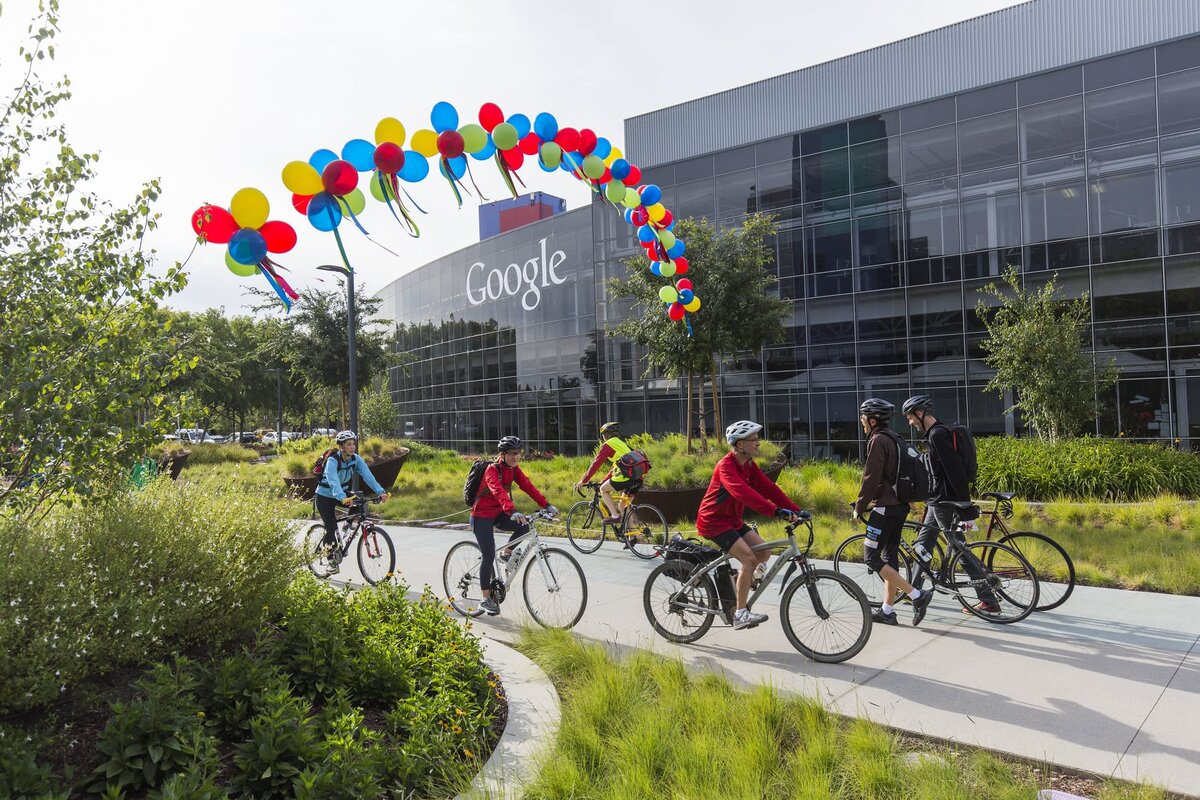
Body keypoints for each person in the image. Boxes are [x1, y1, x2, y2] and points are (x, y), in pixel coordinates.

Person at [696, 420, 804, 630]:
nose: (758, 443)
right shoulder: (726, 466)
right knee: (748, 559)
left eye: (757, 439)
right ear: (740, 444)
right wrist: (774, 511)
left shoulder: (748, 465)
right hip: (713, 521)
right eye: (753, 440)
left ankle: (737, 582)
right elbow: (742, 493)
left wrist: (795, 509)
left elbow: (769, 489)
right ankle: (740, 614)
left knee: (764, 553)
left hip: (732, 520)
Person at [902, 395, 999, 613]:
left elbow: (953, 470)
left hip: (944, 502)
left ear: (920, 413)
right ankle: (914, 592)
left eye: (910, 417)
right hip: (937, 500)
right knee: (923, 545)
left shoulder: (937, 435)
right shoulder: (937, 433)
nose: (910, 423)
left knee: (958, 549)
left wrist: (962, 502)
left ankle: (988, 599)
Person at [853, 399, 932, 627]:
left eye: (863, 417)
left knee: (871, 557)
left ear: (872, 420)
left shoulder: (878, 440)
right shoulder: (895, 438)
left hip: (885, 508)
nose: (861, 421)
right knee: (889, 557)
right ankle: (887, 610)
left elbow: (871, 477)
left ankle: (917, 595)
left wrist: (859, 507)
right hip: (899, 506)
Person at [471, 435, 558, 616]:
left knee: (524, 525)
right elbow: (497, 491)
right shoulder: (491, 470)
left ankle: (507, 553)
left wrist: (546, 505)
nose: (515, 457)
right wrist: (511, 510)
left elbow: (528, 486)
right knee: (488, 555)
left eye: (518, 453)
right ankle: (485, 599)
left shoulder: (514, 469)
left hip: (499, 513)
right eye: (511, 454)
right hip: (482, 515)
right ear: (502, 455)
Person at [313, 430, 390, 574]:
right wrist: (341, 497)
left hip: (342, 494)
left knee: (361, 504)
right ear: (342, 446)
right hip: (325, 497)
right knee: (330, 528)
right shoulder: (332, 460)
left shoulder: (356, 459)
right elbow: (333, 480)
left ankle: (346, 528)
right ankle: (331, 562)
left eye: (353, 444)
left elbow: (368, 475)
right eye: (349, 445)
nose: (352, 447)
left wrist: (380, 492)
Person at [574, 421, 639, 524]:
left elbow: (596, 463)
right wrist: (603, 481)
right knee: (623, 506)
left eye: (603, 435)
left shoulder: (608, 444)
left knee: (603, 489)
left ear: (606, 435)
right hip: (638, 476)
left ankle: (615, 515)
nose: (603, 437)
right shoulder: (621, 444)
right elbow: (615, 468)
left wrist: (584, 480)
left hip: (628, 475)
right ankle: (632, 536)